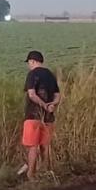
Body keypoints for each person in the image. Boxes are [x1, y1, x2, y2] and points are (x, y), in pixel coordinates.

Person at [21, 50, 61, 180]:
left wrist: (43, 105)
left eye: (29, 62)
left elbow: (32, 94)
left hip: (33, 116)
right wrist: (52, 105)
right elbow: (57, 95)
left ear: (32, 61)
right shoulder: (50, 75)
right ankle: (47, 172)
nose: (29, 65)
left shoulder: (32, 74)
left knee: (33, 147)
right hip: (48, 117)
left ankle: (31, 175)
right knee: (45, 146)